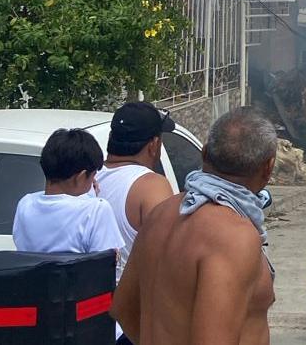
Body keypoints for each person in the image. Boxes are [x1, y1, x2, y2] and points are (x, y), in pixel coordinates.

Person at [111, 108, 277, 345]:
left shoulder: (161, 213)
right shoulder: (234, 236)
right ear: (268, 167)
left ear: (205, 153)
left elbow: (123, 308)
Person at [13, 128, 124, 255]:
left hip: (31, 275)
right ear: (81, 176)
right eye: (93, 176)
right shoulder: (96, 209)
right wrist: (92, 199)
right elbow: (108, 263)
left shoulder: (26, 204)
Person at [96, 102, 174, 279]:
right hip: (126, 301)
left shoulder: (87, 177)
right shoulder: (150, 186)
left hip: (89, 297)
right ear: (154, 145)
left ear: (111, 137)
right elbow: (165, 258)